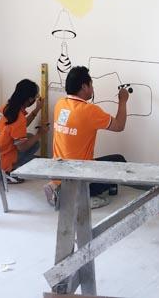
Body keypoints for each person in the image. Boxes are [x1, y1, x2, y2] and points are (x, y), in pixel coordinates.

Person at [44, 66, 129, 210]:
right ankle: (78, 197)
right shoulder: (89, 111)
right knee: (120, 162)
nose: (93, 88)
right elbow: (119, 125)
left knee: (108, 160)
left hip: (58, 172)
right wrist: (123, 100)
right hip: (80, 175)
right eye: (91, 85)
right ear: (84, 86)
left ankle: (58, 187)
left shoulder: (60, 104)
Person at [0, 79, 46, 184]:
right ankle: (8, 172)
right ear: (30, 99)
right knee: (35, 143)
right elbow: (22, 147)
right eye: (36, 96)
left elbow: (18, 127)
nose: (36, 98)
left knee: (28, 136)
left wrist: (37, 109)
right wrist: (39, 134)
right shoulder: (18, 118)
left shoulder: (6, 107)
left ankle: (4, 168)